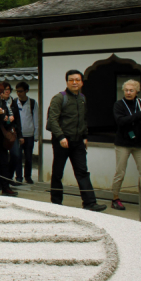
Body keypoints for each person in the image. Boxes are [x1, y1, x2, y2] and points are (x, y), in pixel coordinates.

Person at [46, 69, 106, 211]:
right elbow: (52, 120)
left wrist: (85, 136)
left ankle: (90, 203)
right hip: (62, 141)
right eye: (71, 80)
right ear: (67, 82)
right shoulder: (59, 98)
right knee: (58, 172)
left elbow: (83, 119)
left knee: (82, 171)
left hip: (78, 141)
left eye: (77, 80)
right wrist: (61, 137)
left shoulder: (82, 98)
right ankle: (56, 202)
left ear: (81, 82)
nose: (74, 82)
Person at [111, 80, 141, 211]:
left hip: (139, 143)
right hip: (123, 143)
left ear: (137, 91)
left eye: (131, 90)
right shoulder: (119, 104)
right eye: (126, 90)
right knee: (120, 172)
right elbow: (121, 121)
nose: (128, 93)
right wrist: (139, 115)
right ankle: (115, 198)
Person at [11, 81, 39, 184]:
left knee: (28, 157)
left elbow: (36, 119)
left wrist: (36, 134)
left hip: (29, 134)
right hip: (18, 134)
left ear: (26, 91)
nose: (19, 93)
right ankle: (18, 177)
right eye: (17, 91)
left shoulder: (32, 103)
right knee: (17, 156)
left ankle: (28, 176)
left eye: (21, 91)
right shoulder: (14, 102)